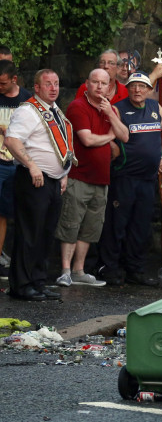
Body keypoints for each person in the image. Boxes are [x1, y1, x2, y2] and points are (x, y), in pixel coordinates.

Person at [96, 73, 162, 286]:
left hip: (148, 178)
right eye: (133, 86)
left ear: (149, 89)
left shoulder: (154, 107)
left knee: (140, 226)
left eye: (142, 86)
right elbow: (109, 137)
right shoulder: (118, 108)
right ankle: (110, 268)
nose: (137, 90)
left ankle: (135, 270)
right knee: (117, 224)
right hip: (124, 176)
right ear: (127, 88)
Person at [55, 69, 130, 288]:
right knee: (71, 224)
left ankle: (79, 270)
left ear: (109, 86)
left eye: (103, 83)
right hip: (79, 175)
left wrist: (111, 115)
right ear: (87, 84)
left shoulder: (112, 109)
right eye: (95, 82)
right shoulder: (78, 106)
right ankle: (65, 271)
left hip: (101, 178)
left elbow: (125, 135)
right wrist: (109, 136)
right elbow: (87, 140)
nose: (99, 87)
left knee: (90, 227)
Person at [5, 69, 72, 301]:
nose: (53, 88)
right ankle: (22, 285)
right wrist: (32, 165)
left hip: (52, 181)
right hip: (33, 178)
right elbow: (12, 140)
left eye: (56, 83)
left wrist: (64, 173)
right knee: (29, 233)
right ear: (37, 87)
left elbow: (60, 146)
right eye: (48, 84)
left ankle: (38, 281)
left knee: (45, 234)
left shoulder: (54, 111)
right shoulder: (29, 110)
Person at [0, 60, 32, 270]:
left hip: (20, 163)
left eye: (2, 84)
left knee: (14, 213)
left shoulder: (27, 99)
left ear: (14, 80)